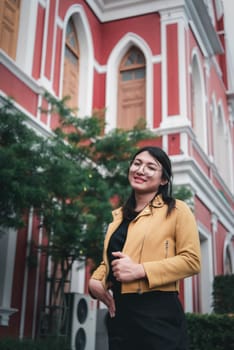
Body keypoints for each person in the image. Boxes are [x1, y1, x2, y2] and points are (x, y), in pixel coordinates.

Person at [88, 146, 201, 350]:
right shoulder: (118, 217)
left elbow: (191, 261)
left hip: (158, 315)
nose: (140, 170)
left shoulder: (177, 210)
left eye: (151, 167)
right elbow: (111, 261)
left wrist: (140, 270)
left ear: (163, 180)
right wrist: (96, 281)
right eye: (137, 164)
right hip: (120, 316)